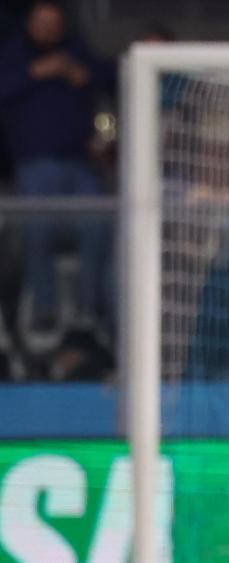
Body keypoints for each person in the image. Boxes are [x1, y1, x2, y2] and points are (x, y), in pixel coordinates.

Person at [0, 0, 115, 333]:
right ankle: (46, 312)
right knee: (38, 232)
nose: (48, 28)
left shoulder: (75, 49)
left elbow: (111, 75)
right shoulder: (13, 52)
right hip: (33, 165)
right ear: (30, 23)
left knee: (98, 226)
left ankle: (87, 310)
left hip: (78, 164)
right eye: (42, 21)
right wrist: (35, 72)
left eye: (54, 22)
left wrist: (85, 75)